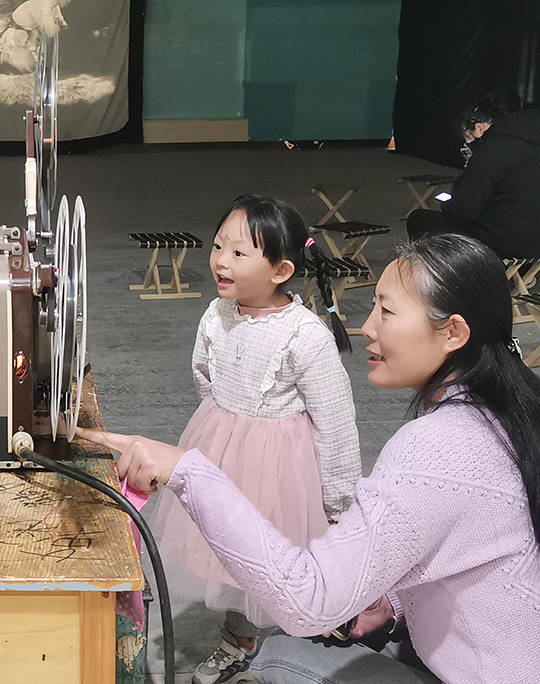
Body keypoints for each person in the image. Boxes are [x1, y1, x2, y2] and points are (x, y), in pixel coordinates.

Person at [78, 233, 540, 683]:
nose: (368, 326)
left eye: (387, 311)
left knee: (280, 656)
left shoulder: (437, 447)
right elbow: (477, 552)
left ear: (453, 332)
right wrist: (394, 603)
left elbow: (308, 600)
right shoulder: (508, 411)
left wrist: (188, 470)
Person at [148, 195, 361, 684]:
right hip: (222, 449)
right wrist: (222, 427)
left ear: (281, 270)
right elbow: (204, 376)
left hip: (280, 471)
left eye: (239, 253)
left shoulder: (305, 335)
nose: (221, 261)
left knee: (269, 560)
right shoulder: (216, 313)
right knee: (228, 555)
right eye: (218, 246)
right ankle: (239, 637)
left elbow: (336, 420)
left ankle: (279, 634)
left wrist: (339, 502)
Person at [406, 94, 540, 258]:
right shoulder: (527, 136)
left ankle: (457, 270)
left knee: (419, 220)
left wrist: (450, 204)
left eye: (469, 137)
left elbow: (464, 211)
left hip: (507, 242)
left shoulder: (495, 149)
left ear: (479, 128)